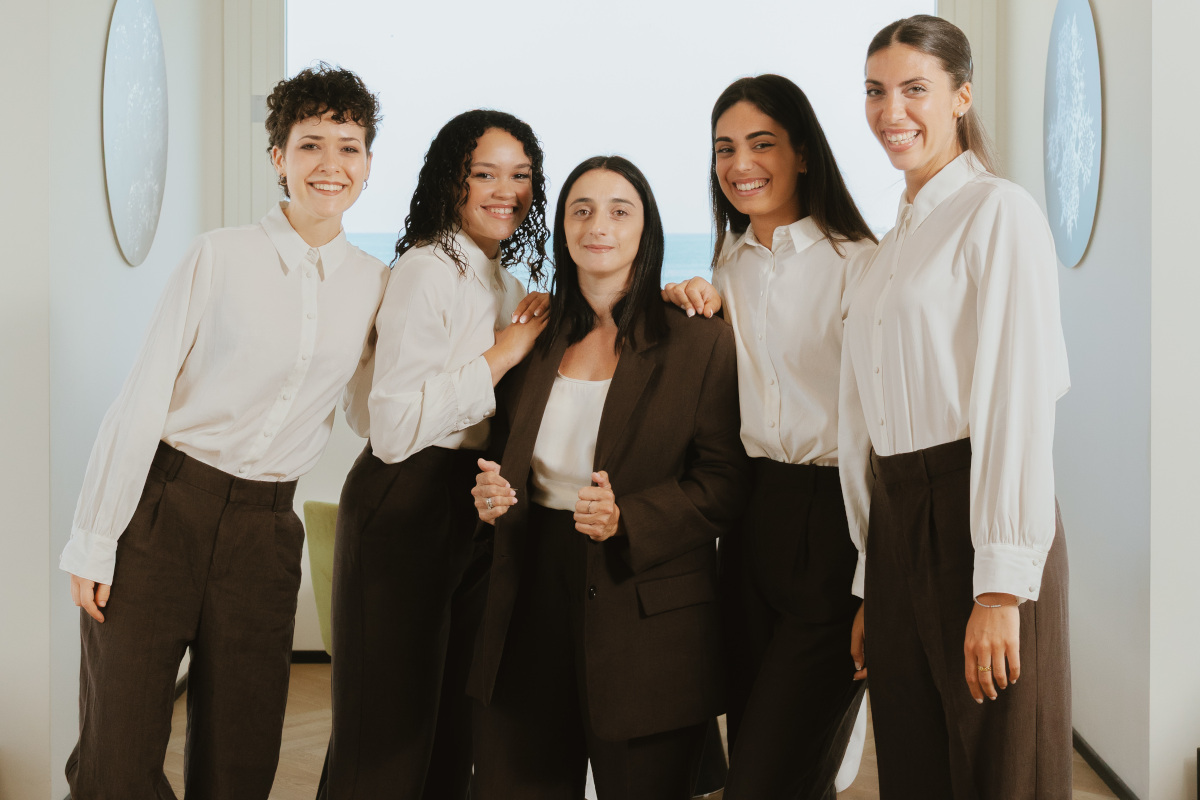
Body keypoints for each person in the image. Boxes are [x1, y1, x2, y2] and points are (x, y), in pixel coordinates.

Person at [60, 64, 387, 799]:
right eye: (310, 145)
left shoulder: (375, 284)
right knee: (115, 753)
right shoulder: (220, 255)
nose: (330, 165)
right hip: (160, 513)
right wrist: (94, 535)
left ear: (368, 163)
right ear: (279, 158)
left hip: (265, 534)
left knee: (240, 759)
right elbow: (141, 398)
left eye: (349, 146)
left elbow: (372, 414)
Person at [839, 15, 1072, 798]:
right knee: (913, 760)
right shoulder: (889, 246)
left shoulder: (997, 213)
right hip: (903, 521)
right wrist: (875, 579)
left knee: (999, 767)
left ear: (961, 96)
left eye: (914, 90)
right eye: (875, 92)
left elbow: (1018, 400)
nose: (890, 112)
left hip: (979, 509)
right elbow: (873, 429)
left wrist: (1001, 587)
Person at [467, 155, 750, 800]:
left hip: (645, 609)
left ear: (645, 229)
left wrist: (632, 518)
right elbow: (498, 457)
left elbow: (724, 483)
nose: (599, 224)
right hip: (526, 592)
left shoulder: (697, 341)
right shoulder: (531, 335)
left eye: (620, 211)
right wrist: (490, 497)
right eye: (581, 209)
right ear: (563, 228)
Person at [317, 109, 550, 800]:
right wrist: (504, 352)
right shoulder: (427, 267)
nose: (504, 189)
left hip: (467, 505)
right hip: (403, 500)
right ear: (453, 181)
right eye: (485, 173)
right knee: (386, 730)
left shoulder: (501, 283)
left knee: (450, 726)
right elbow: (387, 427)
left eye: (520, 175)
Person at [661, 74, 877, 799]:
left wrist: (875, 582)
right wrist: (686, 301)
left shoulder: (861, 264)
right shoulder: (728, 266)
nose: (740, 163)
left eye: (761, 143)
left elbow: (883, 433)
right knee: (760, 750)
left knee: (769, 777)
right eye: (725, 148)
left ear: (805, 154)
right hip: (750, 524)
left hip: (835, 521)